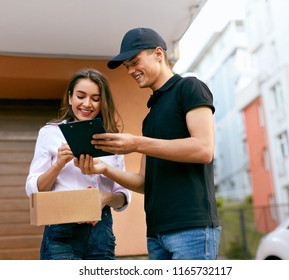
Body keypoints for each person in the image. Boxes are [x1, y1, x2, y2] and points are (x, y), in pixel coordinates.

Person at [75, 28, 220, 260]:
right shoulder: (151, 116)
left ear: (159, 54)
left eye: (134, 62)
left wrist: (136, 143)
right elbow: (144, 183)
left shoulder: (190, 88)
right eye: (127, 67)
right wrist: (105, 169)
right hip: (156, 233)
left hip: (191, 229)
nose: (131, 71)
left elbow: (204, 149)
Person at [25, 68, 131, 260]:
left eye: (96, 98)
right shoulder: (50, 133)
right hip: (61, 233)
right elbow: (33, 190)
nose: (87, 104)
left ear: (103, 102)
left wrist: (104, 198)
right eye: (80, 96)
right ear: (70, 97)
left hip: (101, 231)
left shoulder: (112, 141)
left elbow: (123, 196)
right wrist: (59, 164)